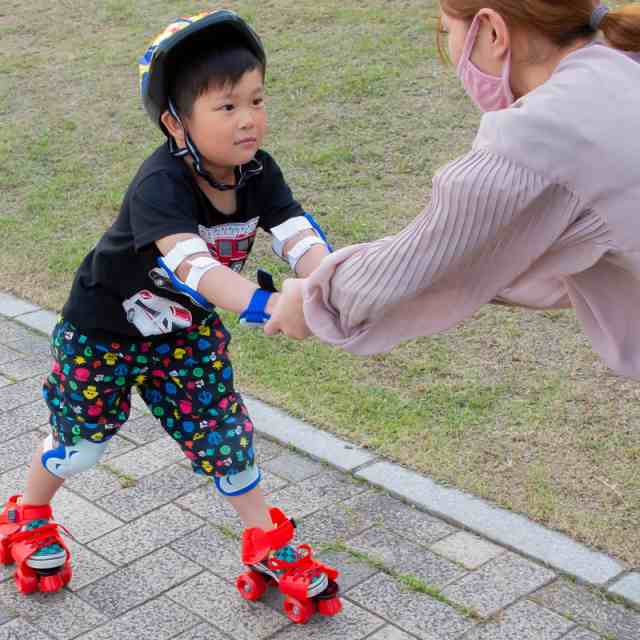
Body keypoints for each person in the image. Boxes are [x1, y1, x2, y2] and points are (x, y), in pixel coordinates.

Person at [0, 10, 341, 620]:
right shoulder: (160, 183)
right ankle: (27, 513)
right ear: (175, 122)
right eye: (227, 106)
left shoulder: (259, 171)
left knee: (225, 437)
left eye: (256, 99)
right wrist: (267, 305)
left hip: (184, 338)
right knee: (81, 445)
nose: (248, 119)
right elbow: (195, 267)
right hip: (101, 332)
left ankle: (263, 539)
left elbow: (296, 233)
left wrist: (335, 280)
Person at [265, 1, 640, 381]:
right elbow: (532, 265)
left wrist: (316, 300)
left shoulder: (545, 132)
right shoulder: (621, 65)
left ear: (492, 31)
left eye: (448, 32)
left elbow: (420, 263)